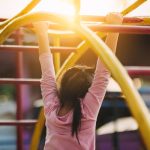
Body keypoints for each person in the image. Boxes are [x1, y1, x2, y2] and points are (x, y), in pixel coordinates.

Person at [33, 12, 123, 150]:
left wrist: (41, 32)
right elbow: (103, 71)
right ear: (86, 92)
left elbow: (47, 72)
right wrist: (114, 28)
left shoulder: (52, 108)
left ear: (62, 87)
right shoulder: (87, 110)